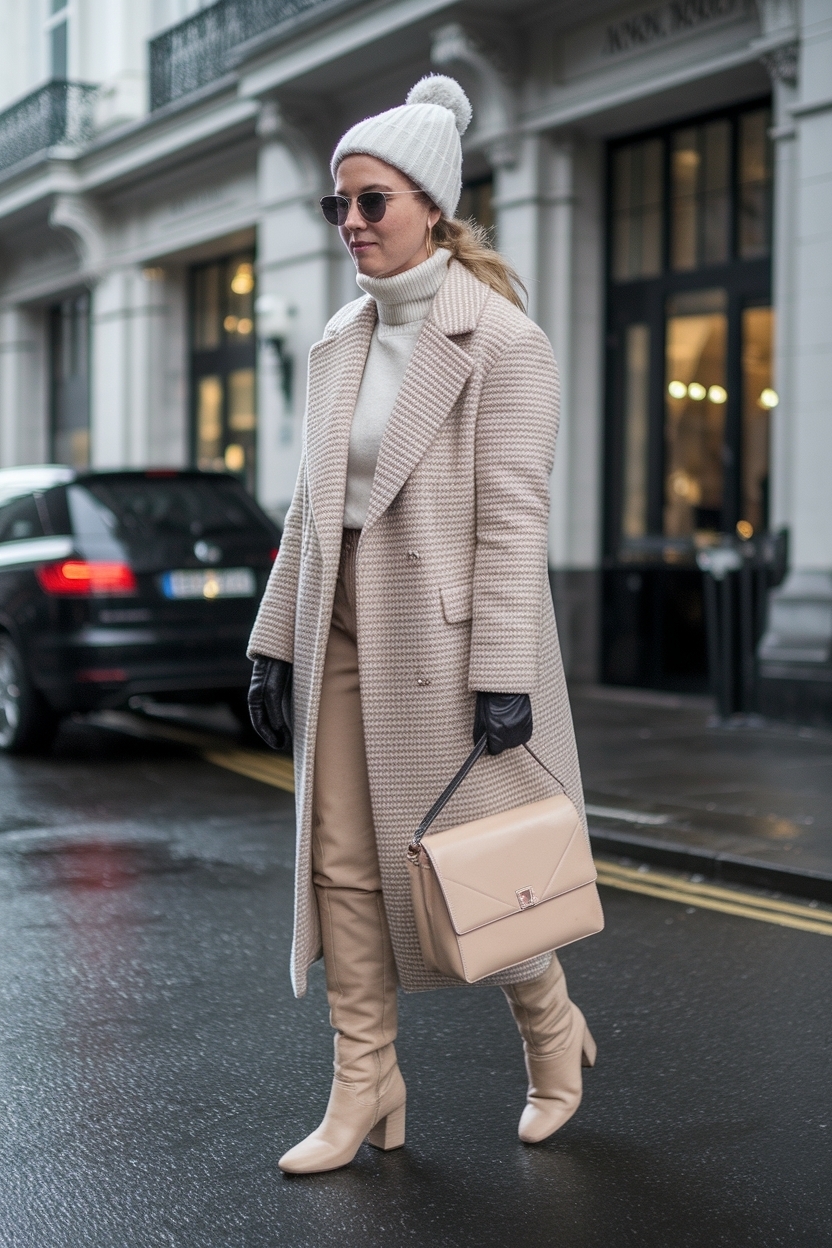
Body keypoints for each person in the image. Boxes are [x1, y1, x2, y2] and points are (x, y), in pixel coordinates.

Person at [247, 75, 595, 1175]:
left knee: (473, 867)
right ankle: (366, 1083)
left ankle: (552, 1032)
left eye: (372, 203)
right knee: (340, 865)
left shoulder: (503, 342)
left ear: (432, 208)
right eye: (337, 206)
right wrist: (272, 638)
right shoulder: (339, 340)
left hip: (447, 648)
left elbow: (510, 522)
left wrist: (502, 672)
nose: (350, 223)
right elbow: (311, 506)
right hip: (340, 621)